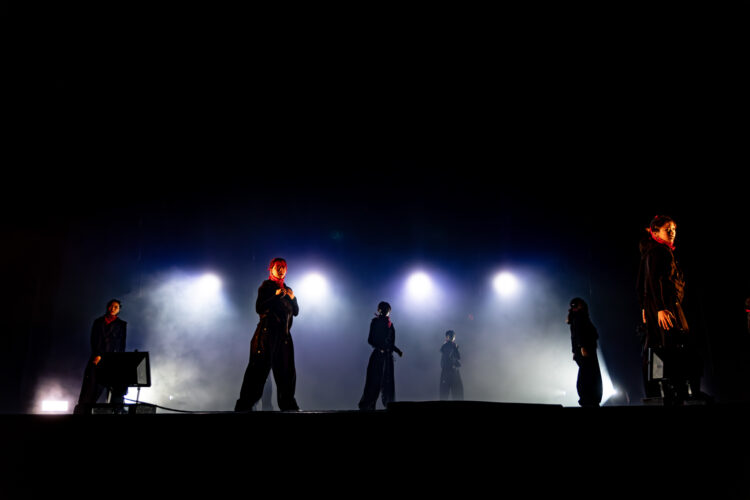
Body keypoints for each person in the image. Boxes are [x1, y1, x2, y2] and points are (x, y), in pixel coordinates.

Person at [636, 215, 702, 404]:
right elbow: (653, 280)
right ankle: (675, 391)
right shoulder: (658, 251)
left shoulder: (652, 252)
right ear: (656, 233)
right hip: (665, 306)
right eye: (667, 229)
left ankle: (666, 391)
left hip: (660, 306)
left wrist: (644, 307)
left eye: (674, 229)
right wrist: (660, 309)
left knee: (661, 347)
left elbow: (640, 284)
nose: (672, 232)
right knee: (672, 346)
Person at [235, 258, 300, 412]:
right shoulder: (266, 286)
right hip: (266, 335)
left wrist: (293, 298)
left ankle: (289, 407)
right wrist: (276, 296)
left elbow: (296, 312)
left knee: (287, 374)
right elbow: (259, 308)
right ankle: (244, 407)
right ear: (271, 269)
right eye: (277, 267)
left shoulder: (288, 289)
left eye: (283, 267)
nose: (281, 270)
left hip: (284, 337)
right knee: (257, 372)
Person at [73, 299, 128, 414]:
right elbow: (93, 339)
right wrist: (97, 354)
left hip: (113, 358)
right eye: (111, 306)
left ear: (119, 310)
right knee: (91, 384)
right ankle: (84, 410)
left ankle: (117, 409)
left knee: (116, 385)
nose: (113, 308)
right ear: (107, 307)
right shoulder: (98, 322)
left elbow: (122, 343)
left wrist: (120, 358)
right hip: (98, 357)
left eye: (116, 307)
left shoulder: (122, 324)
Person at [358, 301, 403, 410]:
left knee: (387, 383)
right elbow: (370, 339)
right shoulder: (375, 322)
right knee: (374, 382)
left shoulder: (390, 325)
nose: (386, 312)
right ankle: (369, 406)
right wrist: (380, 348)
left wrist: (397, 350)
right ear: (380, 310)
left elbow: (391, 343)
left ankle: (388, 405)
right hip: (378, 356)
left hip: (387, 358)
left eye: (387, 310)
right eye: (384, 309)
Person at [567, 298, 603, 407]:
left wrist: (575, 351)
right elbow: (579, 333)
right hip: (586, 349)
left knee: (587, 374)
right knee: (589, 374)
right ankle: (589, 398)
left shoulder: (576, 317)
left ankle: (588, 398)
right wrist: (582, 347)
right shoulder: (579, 316)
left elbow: (575, 335)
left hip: (584, 349)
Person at [439, 330, 463, 400]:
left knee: (445, 393)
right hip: (451, 372)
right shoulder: (450, 345)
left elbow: (457, 357)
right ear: (449, 337)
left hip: (448, 372)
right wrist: (455, 348)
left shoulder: (447, 345)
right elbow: (457, 357)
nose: (454, 338)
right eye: (453, 336)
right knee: (456, 393)